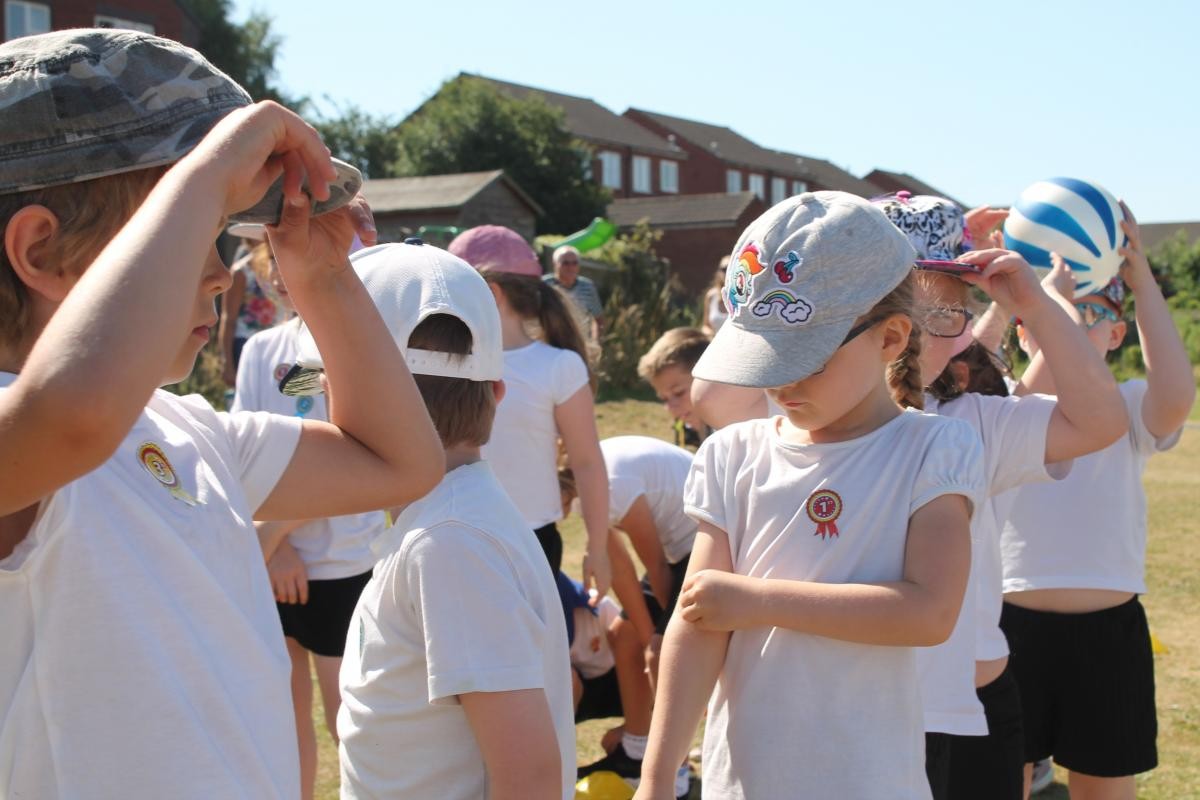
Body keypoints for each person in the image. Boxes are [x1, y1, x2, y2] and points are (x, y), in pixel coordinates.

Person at [0, 29, 443, 799]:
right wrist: (207, 173)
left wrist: (326, 278)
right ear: (40, 252)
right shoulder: (33, 428)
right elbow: (72, 416)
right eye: (179, 230)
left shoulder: (188, 430)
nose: (220, 271)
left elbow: (399, 461)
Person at [636, 192, 987, 800]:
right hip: (738, 783)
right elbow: (699, 625)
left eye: (806, 357)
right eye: (767, 356)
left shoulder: (934, 451)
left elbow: (928, 613)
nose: (783, 380)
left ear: (890, 337)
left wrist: (761, 600)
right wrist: (657, 776)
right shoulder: (731, 455)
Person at [875, 192, 1128, 800]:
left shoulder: (972, 421)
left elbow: (1099, 420)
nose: (928, 334)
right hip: (869, 707)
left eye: (950, 314)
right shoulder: (809, 419)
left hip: (977, 708)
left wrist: (1036, 306)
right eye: (917, 308)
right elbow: (715, 400)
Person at [336, 241, 575, 800]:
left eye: (325, 388)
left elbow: (529, 778)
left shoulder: (449, 543)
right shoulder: (447, 523)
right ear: (495, 392)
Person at [999, 207, 1194, 800]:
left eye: (1093, 318)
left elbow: (1177, 395)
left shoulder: (1131, 407)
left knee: (1105, 786)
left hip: (1109, 632)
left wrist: (1143, 286)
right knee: (998, 779)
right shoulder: (1010, 404)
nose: (1074, 323)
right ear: (1025, 335)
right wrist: (1050, 314)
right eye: (1060, 317)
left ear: (1117, 335)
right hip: (1009, 628)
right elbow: (1012, 422)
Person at [231, 248, 384, 800]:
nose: (284, 269)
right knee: (283, 718)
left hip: (343, 564)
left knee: (351, 719)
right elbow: (245, 457)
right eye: (273, 257)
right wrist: (276, 551)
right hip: (272, 571)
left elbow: (340, 461)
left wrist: (272, 536)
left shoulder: (349, 347)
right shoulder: (260, 350)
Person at [449, 225, 612, 599]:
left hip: (531, 545)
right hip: (454, 540)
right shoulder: (442, 363)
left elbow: (588, 462)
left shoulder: (558, 367)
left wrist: (598, 549)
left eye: (453, 290)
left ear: (490, 294)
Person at [220, 235, 289, 388]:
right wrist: (227, 362)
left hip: (275, 343)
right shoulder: (241, 272)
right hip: (244, 343)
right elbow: (228, 317)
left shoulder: (281, 266)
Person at [637, 327, 713, 449]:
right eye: (664, 399)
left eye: (679, 393)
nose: (671, 408)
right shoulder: (705, 427)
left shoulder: (736, 429)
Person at [544, 244, 605, 340]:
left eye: (574, 263)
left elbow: (598, 319)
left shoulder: (588, 287)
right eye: (565, 263)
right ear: (555, 263)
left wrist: (595, 343)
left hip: (580, 342)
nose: (570, 267)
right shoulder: (544, 285)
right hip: (551, 342)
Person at [700, 257, 729, 336]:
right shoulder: (711, 295)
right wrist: (711, 334)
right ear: (719, 272)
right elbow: (705, 326)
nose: (727, 272)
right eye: (724, 269)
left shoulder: (745, 298)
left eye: (730, 268)